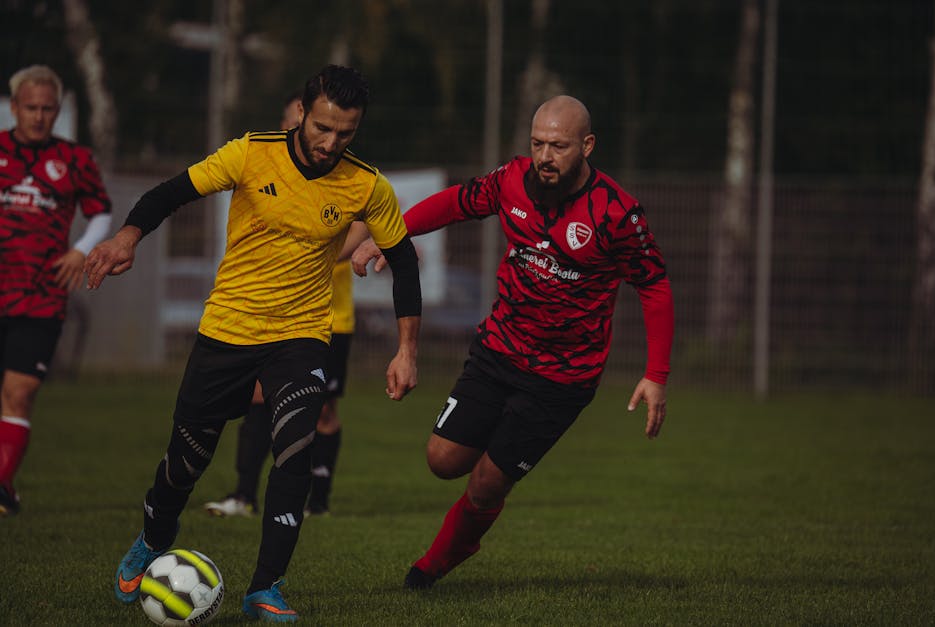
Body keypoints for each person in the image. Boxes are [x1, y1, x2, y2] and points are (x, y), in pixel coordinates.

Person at [84, 65, 421, 622]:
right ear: (300, 113)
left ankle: (265, 588)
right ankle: (152, 538)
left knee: (294, 451)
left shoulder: (367, 185)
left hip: (301, 335)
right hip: (227, 331)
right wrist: (127, 236)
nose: (331, 143)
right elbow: (171, 192)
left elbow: (404, 262)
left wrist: (407, 350)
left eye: (345, 134)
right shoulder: (249, 153)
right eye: (322, 128)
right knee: (186, 462)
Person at [352, 95, 674, 589]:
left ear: (587, 146)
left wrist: (655, 375)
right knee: (442, 461)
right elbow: (457, 202)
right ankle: (476, 494)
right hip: (498, 350)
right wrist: (389, 235)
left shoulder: (617, 213)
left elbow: (653, 285)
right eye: (538, 143)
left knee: (485, 483)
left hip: (562, 378)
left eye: (559, 146)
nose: (546, 156)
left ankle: (432, 566)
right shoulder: (510, 180)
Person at [203, 90, 361, 518]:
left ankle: (319, 501)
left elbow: (363, 232)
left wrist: (310, 249)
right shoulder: (267, 167)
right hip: (270, 315)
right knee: (257, 397)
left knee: (323, 410)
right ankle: (244, 495)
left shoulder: (349, 180)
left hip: (329, 319)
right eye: (308, 123)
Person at [0, 65, 112, 517]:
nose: (39, 116)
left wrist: (81, 250)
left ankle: (1, 484)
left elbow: (101, 210)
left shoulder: (75, 158)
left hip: (41, 296)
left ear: (58, 110)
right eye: (31, 107)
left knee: (20, 392)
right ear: (14, 108)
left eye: (48, 109)